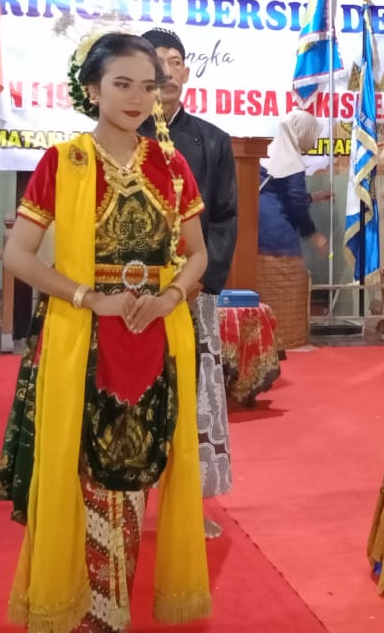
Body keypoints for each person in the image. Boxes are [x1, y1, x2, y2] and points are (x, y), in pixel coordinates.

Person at [0, 33, 210, 631]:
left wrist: (169, 297)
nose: (138, 97)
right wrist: (93, 299)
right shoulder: (63, 162)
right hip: (80, 337)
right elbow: (19, 255)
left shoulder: (172, 164)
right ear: (91, 89)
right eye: (122, 84)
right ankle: (91, 617)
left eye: (150, 86)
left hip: (155, 338)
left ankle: (110, 614)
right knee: (82, 474)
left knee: (137, 480)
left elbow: (197, 256)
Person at [139, 28, 235, 526]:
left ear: (186, 73)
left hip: (189, 292)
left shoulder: (212, 142)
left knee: (189, 395)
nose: (168, 70)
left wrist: (196, 281)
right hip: (127, 294)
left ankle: (185, 507)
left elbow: (223, 220)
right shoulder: (120, 137)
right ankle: (123, 497)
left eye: (176, 61)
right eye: (157, 61)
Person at [257, 109, 326, 349]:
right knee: (291, 281)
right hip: (277, 235)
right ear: (301, 132)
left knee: (263, 285)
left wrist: (312, 197)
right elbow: (293, 203)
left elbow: (278, 192)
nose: (314, 141)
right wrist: (313, 234)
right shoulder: (292, 161)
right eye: (312, 135)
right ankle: (286, 339)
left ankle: (262, 340)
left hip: (256, 231)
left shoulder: (268, 157)